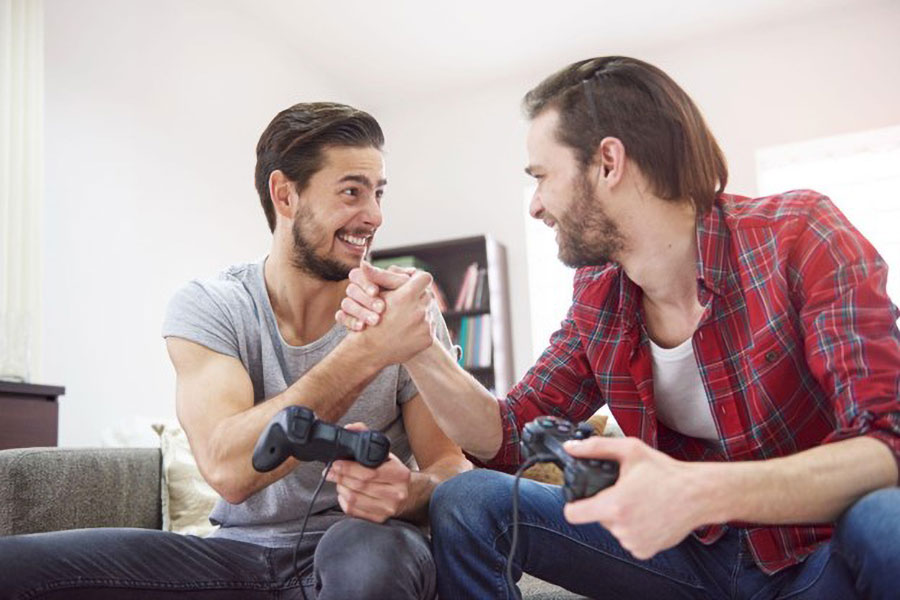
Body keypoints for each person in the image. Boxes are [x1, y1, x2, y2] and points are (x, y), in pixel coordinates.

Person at [336, 57, 900, 600]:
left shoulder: (800, 235)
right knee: (467, 499)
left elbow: (886, 442)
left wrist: (694, 493)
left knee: (888, 519)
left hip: (813, 552)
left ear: (608, 163)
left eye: (541, 177)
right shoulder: (600, 293)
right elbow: (504, 437)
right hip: (688, 558)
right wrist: (418, 347)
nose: (535, 206)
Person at [0, 102, 469, 600]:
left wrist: (408, 492)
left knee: (370, 560)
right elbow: (229, 469)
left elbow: (451, 468)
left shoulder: (405, 311)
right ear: (285, 194)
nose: (374, 216)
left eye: (377, 193)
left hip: (365, 542)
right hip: (238, 556)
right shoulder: (212, 305)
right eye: (352, 191)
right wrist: (368, 351)